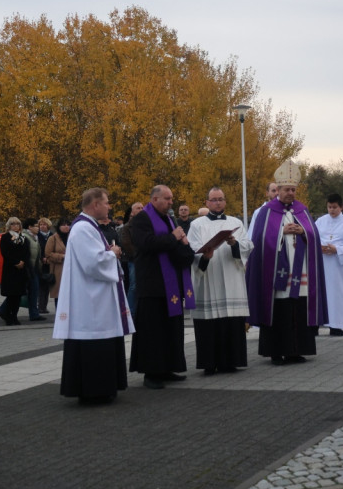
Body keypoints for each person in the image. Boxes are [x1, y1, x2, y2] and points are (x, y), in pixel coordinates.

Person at [53, 188, 135, 403]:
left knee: (103, 340)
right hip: (90, 300)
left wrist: (109, 254)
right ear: (95, 204)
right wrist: (113, 253)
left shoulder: (89, 226)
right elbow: (93, 263)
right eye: (106, 203)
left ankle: (103, 388)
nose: (109, 207)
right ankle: (94, 391)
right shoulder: (82, 228)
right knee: (95, 342)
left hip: (96, 296)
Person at [246, 161, 328, 365]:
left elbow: (314, 236)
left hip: (300, 271)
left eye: (293, 190)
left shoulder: (302, 210)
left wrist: (304, 232)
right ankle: (276, 352)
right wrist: (280, 232)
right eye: (286, 189)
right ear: (278, 190)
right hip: (275, 273)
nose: (290, 193)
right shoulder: (266, 212)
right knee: (279, 310)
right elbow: (259, 239)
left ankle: (296, 351)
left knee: (298, 308)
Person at [129, 184, 195, 389]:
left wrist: (185, 247)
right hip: (152, 284)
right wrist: (173, 237)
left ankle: (167, 367)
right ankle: (151, 373)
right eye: (167, 198)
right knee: (152, 331)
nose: (171, 202)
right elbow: (146, 243)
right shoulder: (141, 219)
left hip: (171, 285)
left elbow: (173, 245)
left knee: (170, 329)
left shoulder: (169, 219)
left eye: (172, 198)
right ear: (154, 199)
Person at [187, 186, 253, 375]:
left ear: (225, 201)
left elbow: (248, 246)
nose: (217, 203)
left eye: (220, 199)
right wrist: (204, 256)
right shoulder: (197, 224)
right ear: (207, 202)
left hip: (232, 278)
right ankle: (209, 363)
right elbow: (192, 249)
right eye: (214, 200)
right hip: (209, 278)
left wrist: (234, 244)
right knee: (209, 323)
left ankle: (230, 362)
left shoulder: (235, 222)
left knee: (231, 321)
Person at [314, 193, 343, 336]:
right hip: (322, 263)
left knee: (337, 295)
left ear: (341, 207)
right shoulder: (320, 221)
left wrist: (337, 250)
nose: (332, 210)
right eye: (329, 207)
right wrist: (319, 247)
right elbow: (313, 237)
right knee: (319, 293)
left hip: (339, 266)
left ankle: (336, 325)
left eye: (334, 207)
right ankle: (315, 324)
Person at [0, 217, 28, 325]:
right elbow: (5, 253)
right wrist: (16, 262)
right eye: (13, 224)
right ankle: (7, 315)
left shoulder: (23, 237)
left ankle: (14, 316)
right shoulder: (5, 237)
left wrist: (22, 261)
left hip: (21, 270)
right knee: (11, 295)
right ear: (9, 226)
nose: (15, 226)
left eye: (17, 224)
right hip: (10, 269)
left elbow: (26, 251)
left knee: (18, 295)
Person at [118, 203, 143, 316]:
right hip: (134, 260)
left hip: (145, 259)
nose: (141, 209)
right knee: (134, 285)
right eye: (138, 208)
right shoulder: (127, 227)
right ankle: (130, 311)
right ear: (132, 212)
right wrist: (138, 255)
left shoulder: (147, 225)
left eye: (142, 208)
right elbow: (126, 244)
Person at [44, 218, 70, 313]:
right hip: (58, 270)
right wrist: (62, 256)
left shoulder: (73, 237)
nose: (66, 227)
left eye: (67, 224)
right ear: (58, 227)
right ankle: (60, 315)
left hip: (71, 270)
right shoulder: (53, 238)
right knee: (59, 295)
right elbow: (48, 254)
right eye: (63, 225)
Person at [23, 218, 46, 322]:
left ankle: (34, 314)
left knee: (33, 292)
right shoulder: (25, 237)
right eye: (36, 226)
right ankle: (3, 309)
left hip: (34, 269)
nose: (38, 228)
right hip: (28, 269)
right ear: (29, 227)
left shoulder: (34, 237)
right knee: (23, 292)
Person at [37, 217, 53, 314]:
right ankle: (40, 306)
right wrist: (42, 257)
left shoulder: (52, 236)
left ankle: (44, 306)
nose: (42, 226)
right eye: (41, 225)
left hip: (50, 264)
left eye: (44, 224)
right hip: (40, 264)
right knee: (41, 286)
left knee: (47, 287)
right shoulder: (37, 236)